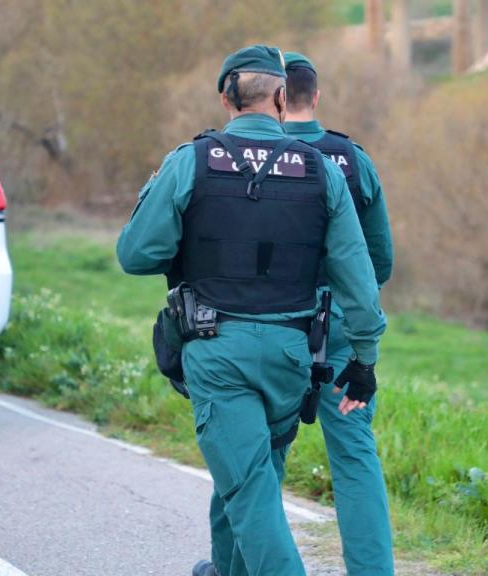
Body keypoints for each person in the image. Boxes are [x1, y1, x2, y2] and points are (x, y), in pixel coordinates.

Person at [116, 45, 386, 576]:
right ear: (283, 98)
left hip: (218, 354)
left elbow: (135, 254)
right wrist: (365, 359)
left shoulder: (190, 160)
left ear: (225, 97)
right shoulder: (322, 169)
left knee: (249, 492)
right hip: (294, 357)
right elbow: (360, 278)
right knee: (258, 477)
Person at [209, 51, 396, 576]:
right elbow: (378, 261)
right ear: (315, 95)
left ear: (274, 97)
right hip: (338, 329)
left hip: (268, 324)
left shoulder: (241, 155)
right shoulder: (351, 159)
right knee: (355, 456)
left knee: (250, 455)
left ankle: (234, 569)